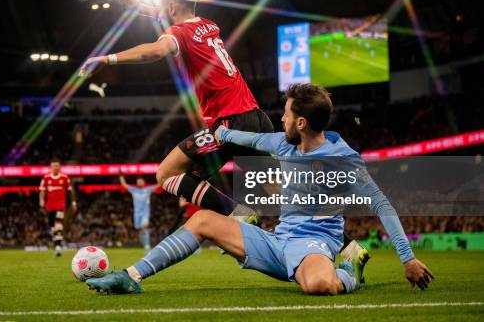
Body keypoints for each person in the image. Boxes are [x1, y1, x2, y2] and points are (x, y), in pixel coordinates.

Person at [86, 84, 433, 295]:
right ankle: (132, 276)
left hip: (315, 244)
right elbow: (245, 136)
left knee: (319, 286)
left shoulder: (344, 159)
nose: (280, 120)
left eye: (285, 115)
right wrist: (219, 133)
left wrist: (408, 258)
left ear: (301, 122)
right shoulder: (283, 144)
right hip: (278, 241)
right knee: (204, 219)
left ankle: (349, 271)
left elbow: (382, 205)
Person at [79, 0, 273, 220]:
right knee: (273, 189)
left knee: (167, 174)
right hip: (256, 118)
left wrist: (108, 59)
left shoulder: (178, 33)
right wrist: (137, 6)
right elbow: (166, 13)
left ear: (171, 7)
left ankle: (238, 215)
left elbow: (155, 51)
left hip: (229, 123)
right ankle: (323, 224)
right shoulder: (208, 25)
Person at [39, 160, 76, 257]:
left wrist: (73, 202)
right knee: (52, 226)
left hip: (60, 206)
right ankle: (56, 243)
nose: (55, 167)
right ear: (51, 167)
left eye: (57, 166)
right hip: (50, 207)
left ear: (59, 167)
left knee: (58, 223)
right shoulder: (46, 178)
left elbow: (70, 191)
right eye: (53, 166)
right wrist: (41, 200)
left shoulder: (64, 178)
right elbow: (42, 191)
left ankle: (58, 247)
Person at [119, 174, 157, 252]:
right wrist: (121, 176)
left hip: (145, 213)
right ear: (136, 183)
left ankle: (147, 246)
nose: (139, 182)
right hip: (137, 214)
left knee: (144, 227)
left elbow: (159, 184)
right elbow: (124, 185)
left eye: (140, 181)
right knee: (139, 229)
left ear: (144, 182)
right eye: (138, 181)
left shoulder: (148, 189)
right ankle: (144, 244)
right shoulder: (134, 190)